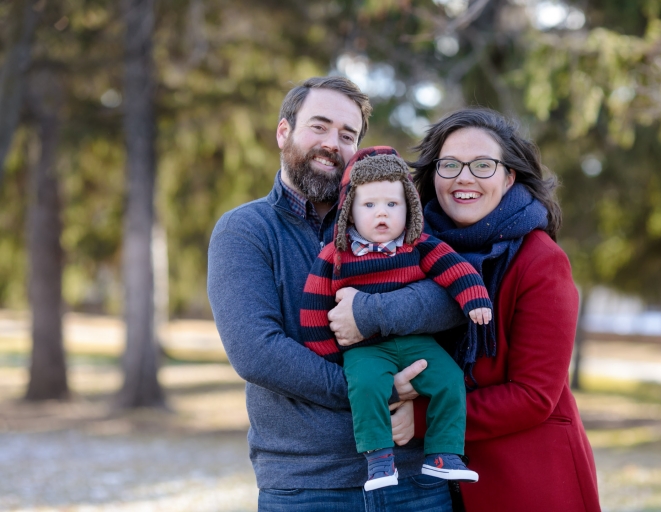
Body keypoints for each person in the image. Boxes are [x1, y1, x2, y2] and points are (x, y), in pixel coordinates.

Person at [207, 76, 464, 511]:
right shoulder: (245, 231)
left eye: (347, 136)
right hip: (308, 485)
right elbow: (257, 351)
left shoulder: (395, 219)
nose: (333, 143)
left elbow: (451, 299)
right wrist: (380, 390)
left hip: (413, 482)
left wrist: (371, 311)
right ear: (283, 131)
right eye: (319, 126)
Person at [409, 108, 602, 511]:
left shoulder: (540, 260)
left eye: (483, 165)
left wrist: (420, 419)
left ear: (508, 176)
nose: (464, 177)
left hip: (527, 480)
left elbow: (533, 395)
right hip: (435, 485)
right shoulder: (415, 251)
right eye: (450, 165)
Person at [299, 146, 490, 491]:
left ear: (410, 208)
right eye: (369, 205)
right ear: (350, 212)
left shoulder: (418, 245)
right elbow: (312, 307)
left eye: (392, 204)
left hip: (416, 342)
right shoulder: (336, 255)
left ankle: (444, 454)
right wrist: (332, 356)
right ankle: (378, 460)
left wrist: (474, 297)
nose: (381, 214)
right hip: (365, 349)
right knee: (368, 386)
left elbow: (456, 269)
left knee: (449, 378)